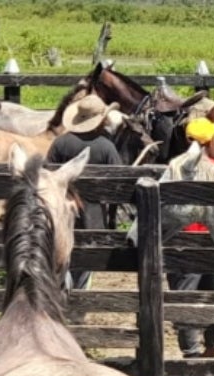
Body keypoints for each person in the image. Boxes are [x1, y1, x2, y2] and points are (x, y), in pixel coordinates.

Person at [46, 94, 124, 291]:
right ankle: (80, 296)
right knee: (85, 262)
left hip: (61, 211)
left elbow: (49, 176)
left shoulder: (60, 143)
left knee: (61, 255)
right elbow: (118, 181)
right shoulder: (106, 147)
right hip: (94, 215)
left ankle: (63, 290)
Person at [170, 117, 214, 359]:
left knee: (184, 296)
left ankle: (190, 351)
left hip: (181, 240)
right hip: (212, 240)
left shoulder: (173, 168)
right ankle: (212, 344)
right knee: (212, 294)